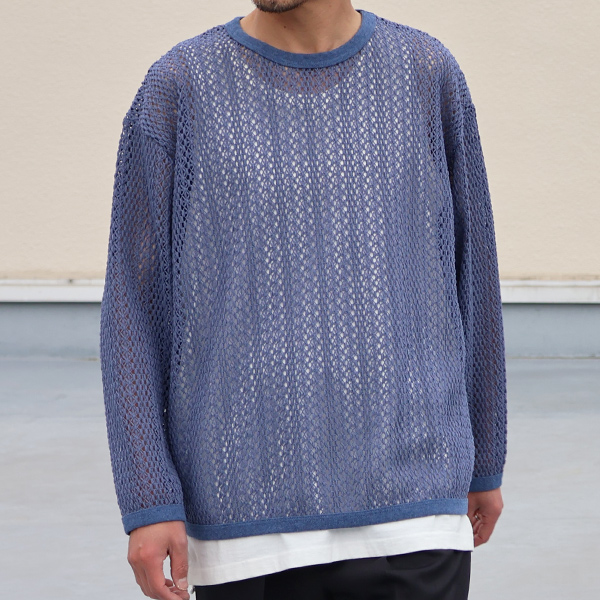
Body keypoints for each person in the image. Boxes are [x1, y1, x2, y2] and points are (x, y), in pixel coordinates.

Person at [99, 1, 507, 599]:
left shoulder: (426, 74)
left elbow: (474, 273)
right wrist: (147, 495)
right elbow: (132, 309)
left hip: (414, 512)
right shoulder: (179, 89)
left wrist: (486, 455)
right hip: (242, 529)